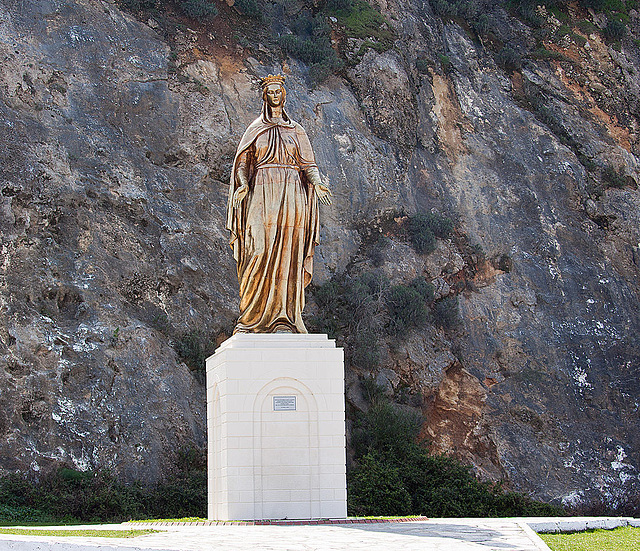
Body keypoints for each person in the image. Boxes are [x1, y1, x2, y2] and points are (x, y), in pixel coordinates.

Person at [226, 74, 332, 333]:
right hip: (261, 190)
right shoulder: (255, 130)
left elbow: (308, 164)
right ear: (265, 96)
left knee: (289, 254)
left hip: (292, 194)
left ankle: (287, 317)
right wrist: (242, 184)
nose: (274, 96)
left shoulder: (297, 130)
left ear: (284, 94)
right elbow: (243, 164)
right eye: (270, 92)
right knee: (258, 249)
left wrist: (317, 183)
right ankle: (251, 318)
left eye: (278, 91)